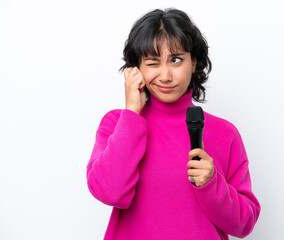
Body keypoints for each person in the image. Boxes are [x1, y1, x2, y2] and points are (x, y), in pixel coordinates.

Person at [86, 8, 260, 240]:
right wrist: (132, 114)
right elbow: (110, 193)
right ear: (136, 69)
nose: (166, 75)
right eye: (153, 62)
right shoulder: (118, 123)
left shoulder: (224, 134)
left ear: (194, 62)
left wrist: (212, 183)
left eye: (176, 60)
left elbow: (243, 225)